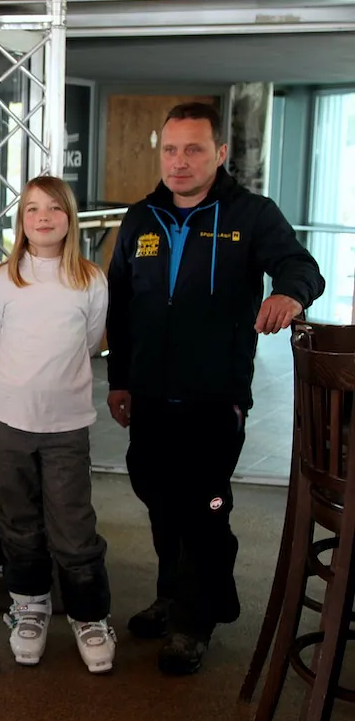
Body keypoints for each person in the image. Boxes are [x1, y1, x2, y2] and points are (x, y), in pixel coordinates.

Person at [106, 101, 325, 675]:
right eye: (170, 150)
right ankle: (180, 594)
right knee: (158, 498)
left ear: (220, 153)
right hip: (150, 394)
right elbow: (120, 306)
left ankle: (192, 621)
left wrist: (289, 294)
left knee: (204, 504)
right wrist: (119, 380)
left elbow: (301, 265)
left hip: (214, 395)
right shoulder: (140, 218)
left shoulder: (251, 214)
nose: (179, 161)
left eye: (194, 149)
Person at [0, 176, 115, 673]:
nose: (44, 217)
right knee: (19, 521)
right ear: (21, 221)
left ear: (70, 219)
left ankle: (90, 616)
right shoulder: (2, 280)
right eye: (32, 209)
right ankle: (29, 605)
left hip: (66, 424)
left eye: (54, 208)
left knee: (73, 524)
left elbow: (89, 343)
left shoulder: (91, 280)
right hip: (6, 420)